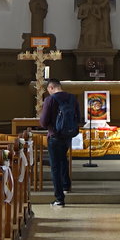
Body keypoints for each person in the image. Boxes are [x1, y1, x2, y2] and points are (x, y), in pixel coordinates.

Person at [38, 78, 77, 206]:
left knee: (55, 166)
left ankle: (59, 198)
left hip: (54, 136)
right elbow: (78, 116)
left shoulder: (50, 99)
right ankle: (66, 186)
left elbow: (43, 122)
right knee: (63, 159)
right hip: (68, 135)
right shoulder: (72, 98)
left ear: (51, 88)